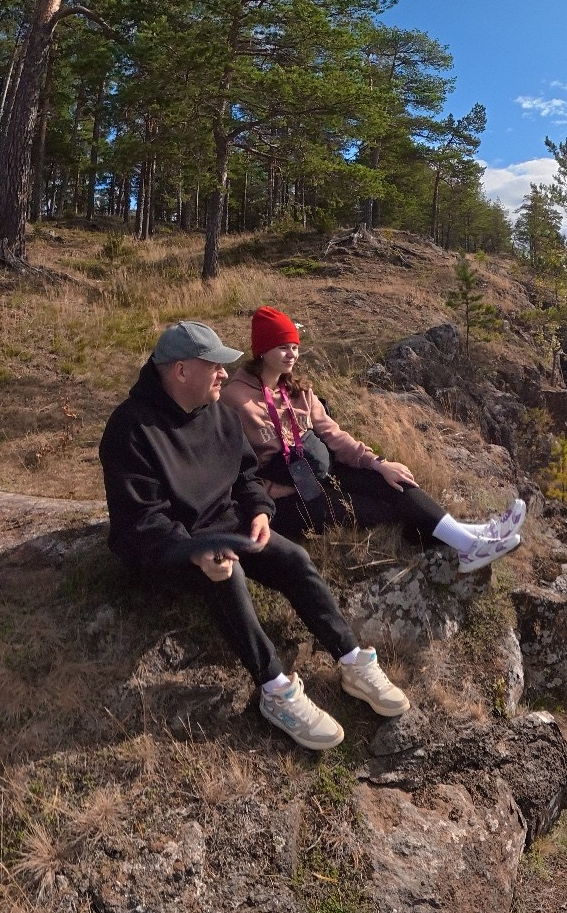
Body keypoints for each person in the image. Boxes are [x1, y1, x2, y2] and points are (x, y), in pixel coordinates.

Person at [99, 317, 409, 751]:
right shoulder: (130, 430)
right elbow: (140, 520)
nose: (225, 374)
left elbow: (246, 477)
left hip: (228, 527)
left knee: (294, 559)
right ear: (181, 370)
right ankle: (275, 689)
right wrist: (193, 551)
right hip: (168, 548)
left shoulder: (217, 414)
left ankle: (351, 658)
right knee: (229, 576)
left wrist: (261, 513)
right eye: (214, 365)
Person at [224, 306, 524, 573]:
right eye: (283, 347)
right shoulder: (235, 400)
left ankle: (471, 538)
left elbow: (332, 434)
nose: (292, 354)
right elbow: (235, 467)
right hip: (285, 496)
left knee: (395, 482)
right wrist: (265, 497)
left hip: (319, 471)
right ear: (262, 350)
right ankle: (466, 540)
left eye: (295, 347)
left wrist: (377, 463)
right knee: (375, 509)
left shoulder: (299, 391)